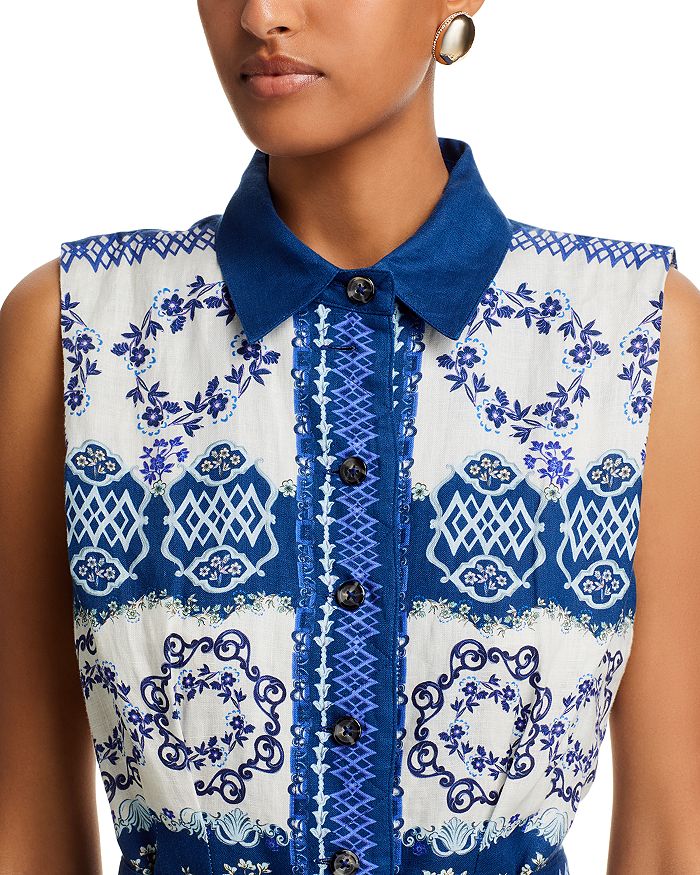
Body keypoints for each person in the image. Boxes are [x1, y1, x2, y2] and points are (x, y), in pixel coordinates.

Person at [1, 2, 699, 874]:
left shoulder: (634, 337)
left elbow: (674, 836)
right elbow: (24, 828)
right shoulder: (80, 332)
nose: (261, 14)